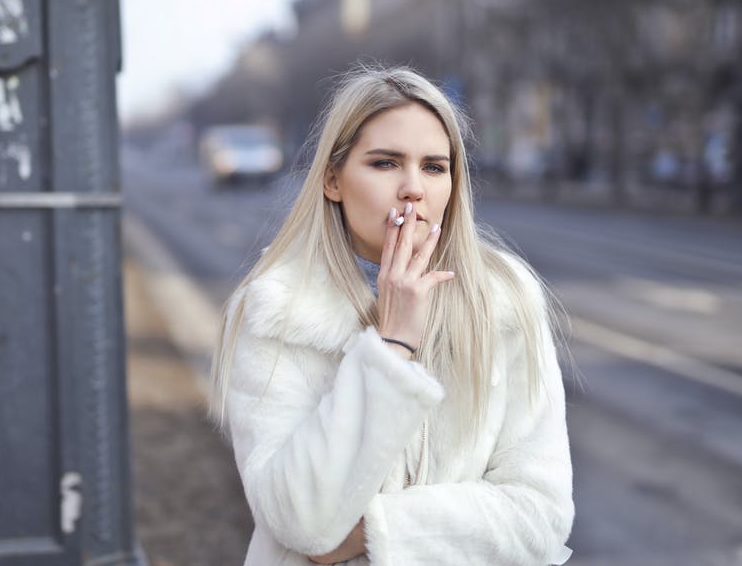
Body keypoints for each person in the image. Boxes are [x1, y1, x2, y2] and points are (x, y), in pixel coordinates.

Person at [210, 65, 575, 565]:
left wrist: (374, 531)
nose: (413, 189)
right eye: (385, 164)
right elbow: (301, 521)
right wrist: (393, 342)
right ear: (334, 180)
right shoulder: (279, 309)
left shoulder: (504, 300)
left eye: (434, 167)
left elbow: (541, 517)